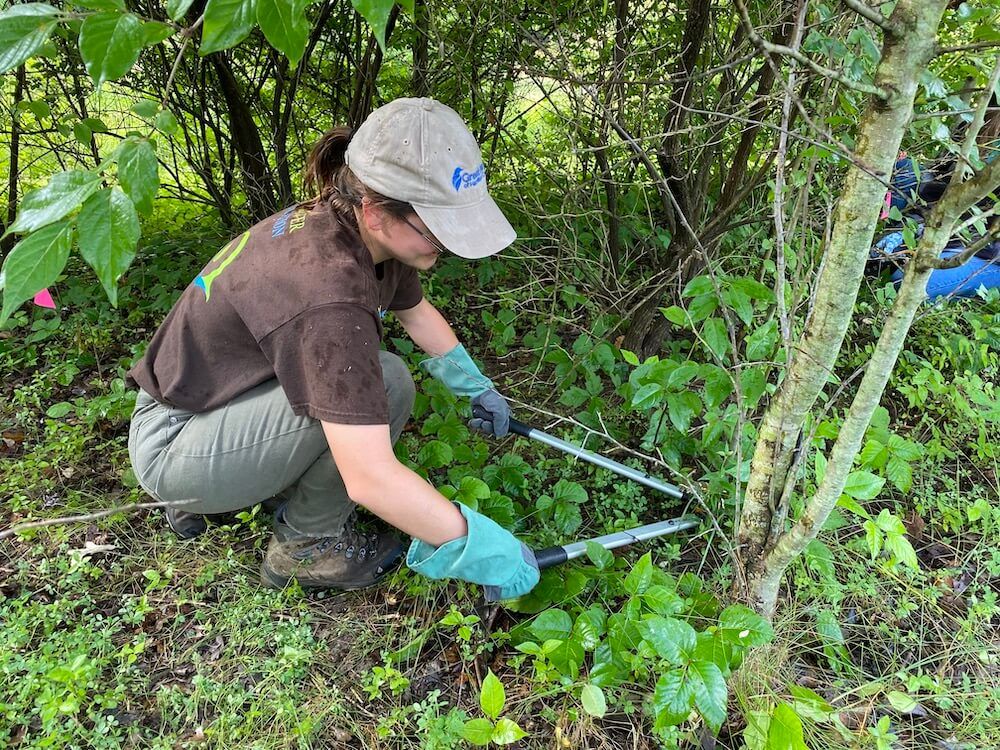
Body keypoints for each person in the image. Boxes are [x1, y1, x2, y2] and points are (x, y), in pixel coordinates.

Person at [125, 97, 539, 601]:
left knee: (372, 383)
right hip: (174, 442)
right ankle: (302, 548)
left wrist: (475, 386)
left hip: (216, 403)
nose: (446, 245)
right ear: (376, 209)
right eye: (436, 230)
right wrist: (481, 547)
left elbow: (416, 312)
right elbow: (370, 478)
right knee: (385, 385)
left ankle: (229, 491)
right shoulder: (330, 289)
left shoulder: (358, 227)